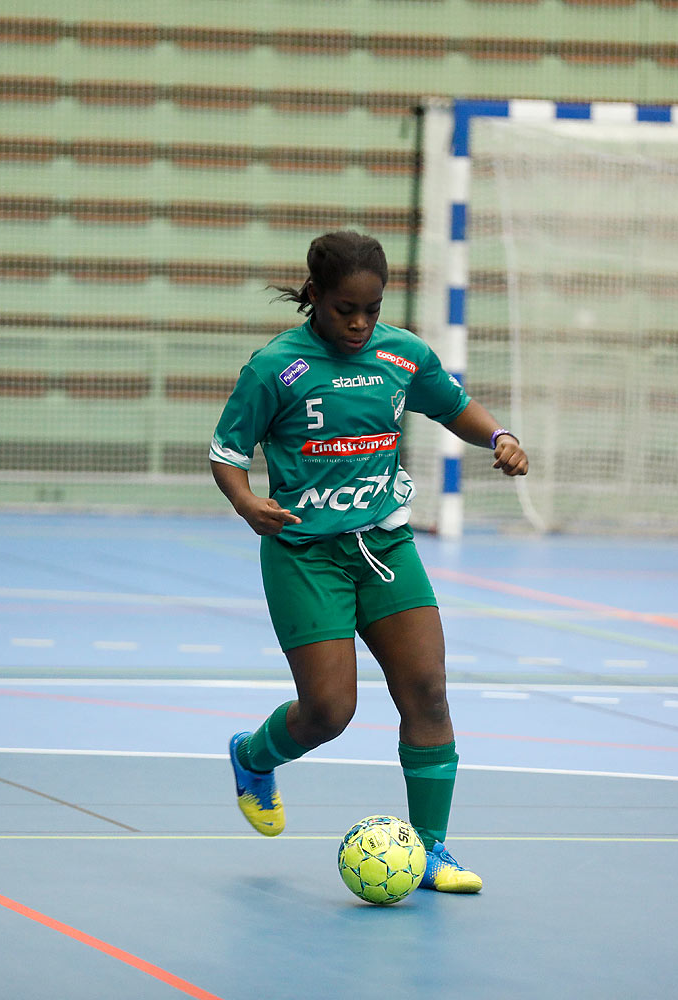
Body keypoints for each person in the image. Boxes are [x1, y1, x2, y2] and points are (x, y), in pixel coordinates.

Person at [210, 230, 528, 893]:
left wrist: (498, 436)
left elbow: (456, 406)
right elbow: (227, 454)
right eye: (344, 310)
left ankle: (435, 849)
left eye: (372, 310)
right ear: (314, 297)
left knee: (428, 691)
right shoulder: (275, 368)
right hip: (306, 555)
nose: (359, 324)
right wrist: (247, 504)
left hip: (383, 545)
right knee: (328, 711)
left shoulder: (402, 356)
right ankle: (253, 755)